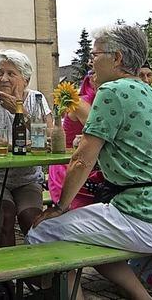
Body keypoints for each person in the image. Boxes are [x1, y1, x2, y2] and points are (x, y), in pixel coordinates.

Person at [27, 25, 152, 300]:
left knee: (42, 231)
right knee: (89, 235)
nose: (91, 61)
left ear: (118, 58)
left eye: (96, 53)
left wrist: (60, 206)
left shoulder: (112, 91)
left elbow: (81, 161)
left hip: (140, 216)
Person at [0, 49, 53, 247]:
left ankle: (35, 272)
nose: (3, 78)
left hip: (27, 177)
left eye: (11, 74)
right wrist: (24, 145)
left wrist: (19, 111)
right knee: (4, 216)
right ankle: (6, 277)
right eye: (0, 72)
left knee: (32, 219)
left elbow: (49, 136)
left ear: (26, 80)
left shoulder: (36, 99)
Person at [50, 70, 103, 209]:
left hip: (91, 165)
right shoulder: (80, 103)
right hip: (68, 165)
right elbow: (102, 134)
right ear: (91, 80)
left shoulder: (102, 103)